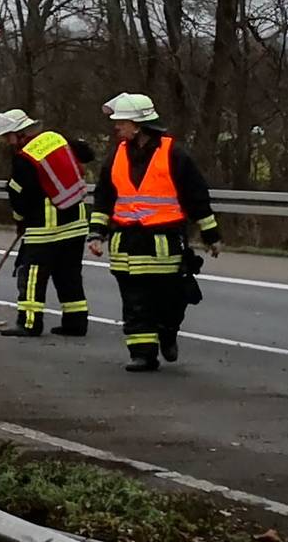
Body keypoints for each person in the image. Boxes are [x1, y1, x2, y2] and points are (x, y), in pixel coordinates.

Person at [88, 93, 219, 373]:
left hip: (163, 244)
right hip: (126, 243)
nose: (116, 127)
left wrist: (211, 235)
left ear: (138, 125)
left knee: (170, 301)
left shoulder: (174, 154)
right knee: (135, 303)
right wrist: (96, 233)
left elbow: (196, 196)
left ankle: (167, 331)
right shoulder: (116, 155)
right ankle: (143, 354)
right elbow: (104, 197)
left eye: (122, 122)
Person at [0, 109, 91, 338]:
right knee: (69, 274)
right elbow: (86, 154)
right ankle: (76, 323)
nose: (6, 142)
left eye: (7, 137)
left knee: (33, 274)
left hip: (45, 226)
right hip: (77, 221)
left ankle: (29, 323)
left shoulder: (24, 158)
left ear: (18, 134)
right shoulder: (56, 139)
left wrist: (20, 222)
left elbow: (19, 196)